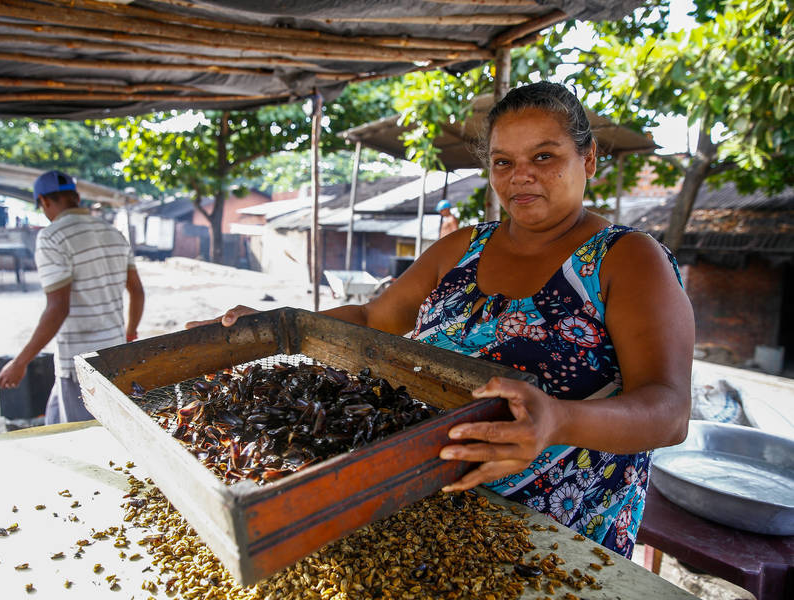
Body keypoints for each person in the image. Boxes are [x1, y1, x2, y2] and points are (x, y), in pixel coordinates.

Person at [188, 82, 694, 558]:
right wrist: (276, 327)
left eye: (544, 156)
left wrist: (560, 420)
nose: (520, 176)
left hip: (554, 535)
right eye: (503, 161)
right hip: (427, 504)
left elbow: (669, 412)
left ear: (588, 159)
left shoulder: (628, 259)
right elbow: (372, 316)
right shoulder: (462, 248)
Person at [0, 170, 145, 424]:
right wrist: (130, 332)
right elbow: (137, 291)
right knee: (55, 420)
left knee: (83, 435)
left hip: (80, 363)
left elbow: (58, 308)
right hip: (115, 354)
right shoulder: (114, 233)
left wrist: (20, 363)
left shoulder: (52, 237)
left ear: (44, 201)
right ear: (76, 197)